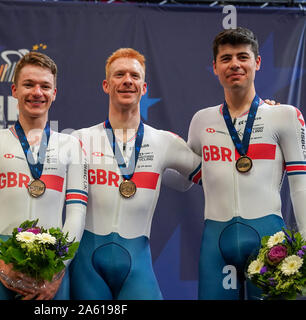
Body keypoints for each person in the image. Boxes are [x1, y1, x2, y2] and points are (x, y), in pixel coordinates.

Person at [69, 48, 202, 300]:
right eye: (119, 75)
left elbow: (218, 173)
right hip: (86, 267)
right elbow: (39, 179)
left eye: (134, 75)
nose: (127, 80)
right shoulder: (80, 139)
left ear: (144, 87)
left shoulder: (164, 142)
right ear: (106, 85)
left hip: (137, 265)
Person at [187, 27, 306, 300]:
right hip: (216, 244)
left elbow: (301, 186)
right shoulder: (201, 121)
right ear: (215, 67)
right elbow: (184, 179)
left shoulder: (284, 116)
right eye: (226, 58)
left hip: (269, 241)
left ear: (257, 63)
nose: (235, 64)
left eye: (243, 56)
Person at [0, 51, 88, 300]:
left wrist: (58, 269)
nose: (37, 92)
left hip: (52, 268)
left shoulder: (71, 145)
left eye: (45, 86)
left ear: (54, 93)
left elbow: (77, 212)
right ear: (14, 90)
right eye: (29, 85)